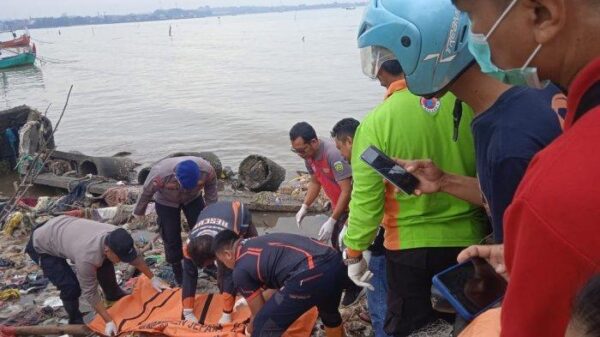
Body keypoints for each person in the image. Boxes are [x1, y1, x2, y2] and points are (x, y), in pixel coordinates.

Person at [356, 0, 565, 245]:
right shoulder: (538, 89)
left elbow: (528, 257)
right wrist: (444, 181)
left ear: (423, 50)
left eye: (395, 57)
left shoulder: (506, 144)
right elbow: (515, 196)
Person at [449, 0, 600, 336]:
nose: (474, 34)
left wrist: (488, 325)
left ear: (542, 13)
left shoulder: (554, 189)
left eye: (472, 15)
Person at [342, 45, 488, 335]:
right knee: (469, 325)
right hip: (473, 241)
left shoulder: (375, 123)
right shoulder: (465, 104)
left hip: (409, 251)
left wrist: (354, 251)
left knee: (411, 327)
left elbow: (367, 202)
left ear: (381, 69)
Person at [25, 216, 169, 336]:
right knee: (70, 286)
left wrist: (152, 278)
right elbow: (90, 292)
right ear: (107, 249)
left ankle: (112, 294)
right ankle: (74, 319)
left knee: (104, 262)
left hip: (62, 226)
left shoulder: (117, 235)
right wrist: (108, 320)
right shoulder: (87, 257)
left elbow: (135, 257)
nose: (122, 261)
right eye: (120, 257)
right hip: (42, 243)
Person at [213, 230, 349, 337]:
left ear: (227, 254)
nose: (225, 266)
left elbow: (259, 313)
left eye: (223, 262)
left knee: (263, 326)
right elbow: (279, 286)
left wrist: (248, 332)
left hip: (309, 272)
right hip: (334, 260)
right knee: (329, 313)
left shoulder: (239, 269)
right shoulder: (256, 241)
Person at [332, 117, 391, 337]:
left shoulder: (368, 157)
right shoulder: (384, 149)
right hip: (417, 235)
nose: (341, 155)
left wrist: (354, 253)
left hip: (387, 238)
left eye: (340, 148)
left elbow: (368, 203)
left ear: (349, 141)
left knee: (379, 298)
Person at [133, 156, 218, 286]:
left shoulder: (207, 170)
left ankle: (209, 264)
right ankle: (178, 272)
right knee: (170, 235)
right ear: (176, 176)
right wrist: (139, 212)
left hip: (193, 198)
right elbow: (146, 192)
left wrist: (211, 209)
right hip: (166, 201)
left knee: (202, 230)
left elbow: (211, 188)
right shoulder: (160, 173)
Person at [181, 200, 258, 324]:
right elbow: (189, 275)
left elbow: (229, 275)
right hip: (210, 212)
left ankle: (255, 288)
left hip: (238, 212)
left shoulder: (224, 245)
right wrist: (187, 311)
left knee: (250, 255)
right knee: (219, 273)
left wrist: (226, 313)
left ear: (216, 255)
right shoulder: (189, 247)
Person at [290, 122, 352, 249]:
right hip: (337, 208)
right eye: (296, 151)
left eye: (302, 150)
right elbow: (315, 182)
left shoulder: (333, 154)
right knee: (337, 246)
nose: (300, 154)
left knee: (350, 249)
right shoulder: (308, 157)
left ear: (313, 142)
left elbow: (347, 190)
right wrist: (305, 206)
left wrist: (332, 220)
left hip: (352, 209)